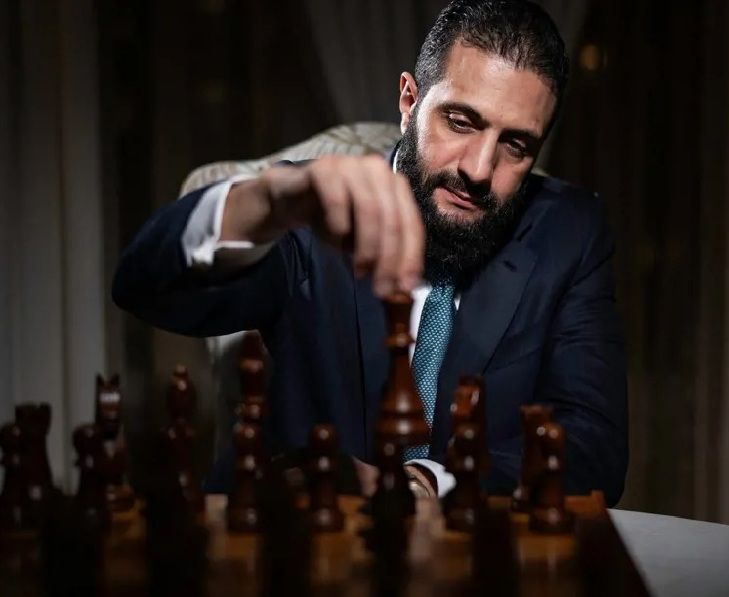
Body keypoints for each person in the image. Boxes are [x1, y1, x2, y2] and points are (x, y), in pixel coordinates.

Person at [113, 0, 628, 505]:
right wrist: (266, 201)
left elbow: (595, 448)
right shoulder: (308, 207)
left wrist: (429, 484)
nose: (477, 169)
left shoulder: (569, 233)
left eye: (515, 145)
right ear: (409, 102)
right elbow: (144, 288)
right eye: (460, 121)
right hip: (295, 533)